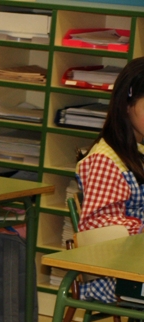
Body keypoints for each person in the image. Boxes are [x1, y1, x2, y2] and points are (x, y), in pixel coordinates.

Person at [75, 57, 144, 303]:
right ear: (126, 104)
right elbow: (98, 227)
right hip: (114, 275)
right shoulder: (106, 160)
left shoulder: (137, 150)